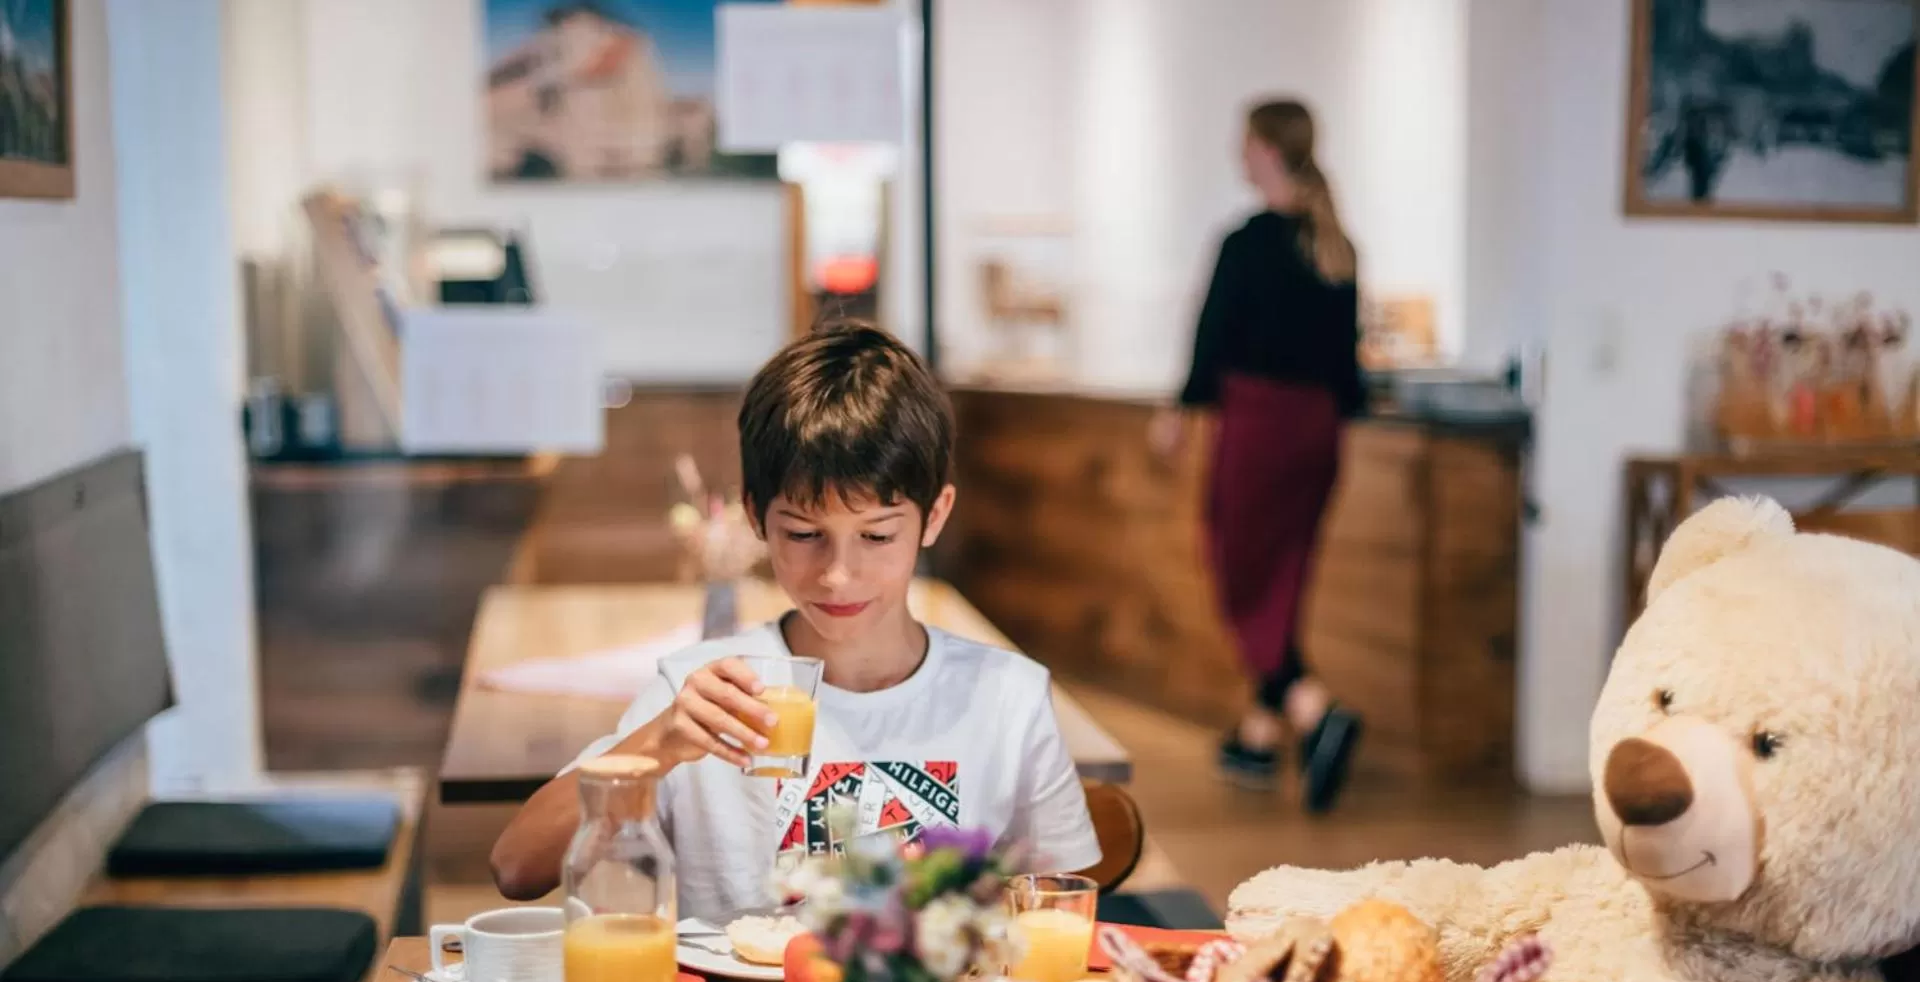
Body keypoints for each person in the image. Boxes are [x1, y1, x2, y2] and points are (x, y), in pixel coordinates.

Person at [491, 322, 1101, 916]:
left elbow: (1063, 913)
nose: (838, 574)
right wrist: (658, 744)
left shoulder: (1007, 698)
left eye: (877, 535)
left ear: (934, 516)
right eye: (805, 534)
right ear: (756, 518)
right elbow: (517, 867)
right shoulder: (703, 691)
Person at [1150, 98, 1364, 808]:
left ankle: (1311, 707)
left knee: (1236, 569)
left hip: (1261, 423)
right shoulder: (1334, 245)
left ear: (1268, 150)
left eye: (1245, 144)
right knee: (1284, 575)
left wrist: (1182, 410)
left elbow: (1211, 339)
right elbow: (1348, 368)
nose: (1238, 155)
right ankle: (1259, 736)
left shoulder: (1246, 243)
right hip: (1318, 430)